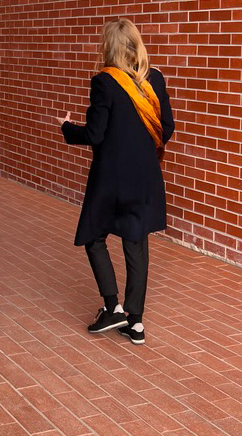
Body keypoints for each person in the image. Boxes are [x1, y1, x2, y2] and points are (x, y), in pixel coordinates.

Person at [57, 18, 174, 344]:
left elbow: (95, 133)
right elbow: (167, 128)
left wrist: (67, 129)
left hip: (110, 178)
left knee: (94, 236)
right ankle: (135, 322)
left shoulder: (104, 82)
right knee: (136, 243)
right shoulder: (155, 79)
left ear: (109, 47)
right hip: (144, 177)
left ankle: (112, 307)